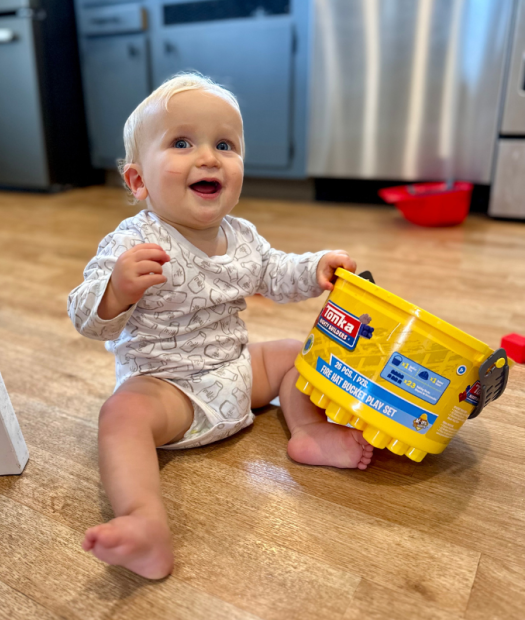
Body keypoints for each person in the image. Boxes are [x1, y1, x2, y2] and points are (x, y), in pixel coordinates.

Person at [68, 73, 373, 580]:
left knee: (299, 353)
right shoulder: (131, 241)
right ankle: (144, 522)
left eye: (225, 144)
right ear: (139, 181)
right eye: (182, 142)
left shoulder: (242, 236)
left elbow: (275, 272)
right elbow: (84, 317)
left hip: (237, 371)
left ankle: (309, 432)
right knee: (121, 415)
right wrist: (117, 291)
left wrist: (315, 267)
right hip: (169, 390)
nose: (208, 156)